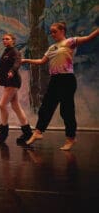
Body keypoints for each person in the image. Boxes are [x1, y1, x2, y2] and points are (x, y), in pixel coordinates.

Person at [22, 22, 99, 151]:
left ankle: (71, 138)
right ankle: (38, 132)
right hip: (55, 80)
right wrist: (26, 60)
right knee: (46, 107)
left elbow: (89, 37)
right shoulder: (52, 47)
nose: (52, 34)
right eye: (51, 32)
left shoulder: (70, 42)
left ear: (62, 30)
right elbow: (42, 61)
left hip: (67, 79)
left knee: (66, 110)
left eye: (54, 31)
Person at [0, 33, 32, 145]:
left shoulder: (15, 52)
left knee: (2, 105)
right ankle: (27, 132)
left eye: (7, 39)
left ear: (13, 40)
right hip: (8, 81)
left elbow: (17, 63)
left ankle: (4, 131)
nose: (4, 41)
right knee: (15, 106)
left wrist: (12, 71)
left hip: (13, 81)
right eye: (3, 39)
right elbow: (0, 69)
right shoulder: (5, 52)